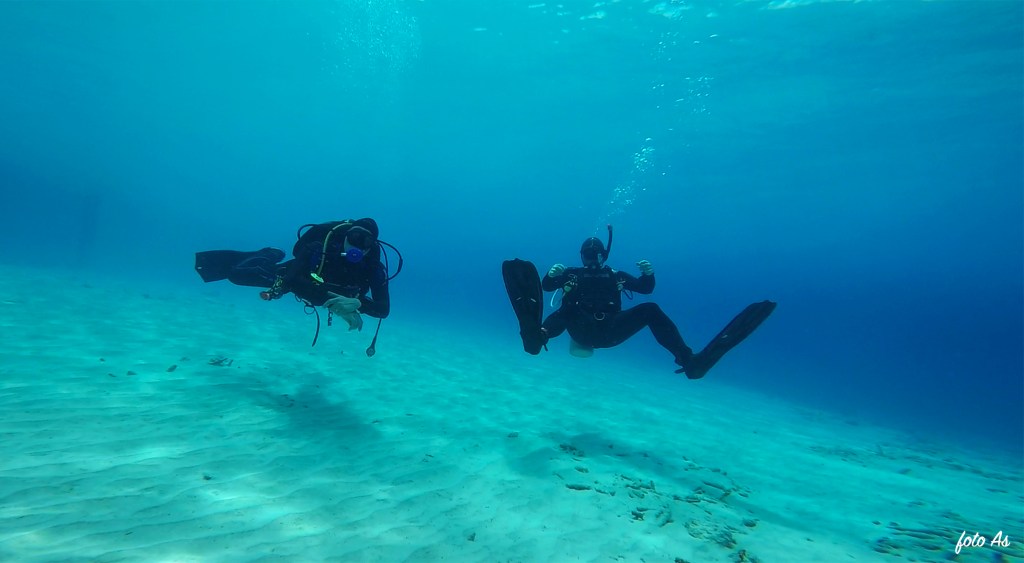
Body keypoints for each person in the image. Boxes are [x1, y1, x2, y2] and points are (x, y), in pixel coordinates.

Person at [502, 226, 775, 379]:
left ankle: (689, 360)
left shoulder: (615, 276)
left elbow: (645, 290)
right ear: (581, 255)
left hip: (611, 331)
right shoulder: (572, 273)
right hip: (580, 329)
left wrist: (648, 274)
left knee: (650, 310)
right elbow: (547, 286)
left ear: (604, 255)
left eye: (596, 254)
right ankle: (539, 336)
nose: (591, 259)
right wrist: (552, 274)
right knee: (568, 308)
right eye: (587, 254)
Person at [195, 218, 402, 353]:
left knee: (238, 276)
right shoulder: (320, 248)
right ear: (345, 236)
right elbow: (292, 280)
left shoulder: (374, 269)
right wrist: (335, 301)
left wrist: (358, 303)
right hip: (301, 278)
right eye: (354, 237)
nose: (357, 246)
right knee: (237, 275)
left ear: (372, 247)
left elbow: (384, 310)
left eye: (365, 242)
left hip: (319, 291)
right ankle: (269, 254)